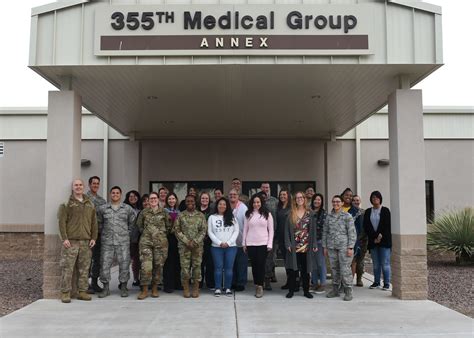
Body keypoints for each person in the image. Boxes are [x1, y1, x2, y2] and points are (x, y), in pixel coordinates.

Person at [58, 179, 98, 303]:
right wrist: (64, 238)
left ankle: (82, 292)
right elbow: (61, 222)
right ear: (73, 187)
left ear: (83, 186)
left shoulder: (90, 204)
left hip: (86, 242)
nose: (78, 187)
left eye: (80, 185)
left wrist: (93, 238)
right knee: (68, 268)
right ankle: (65, 292)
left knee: (84, 269)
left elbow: (94, 222)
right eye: (76, 185)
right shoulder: (66, 204)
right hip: (71, 242)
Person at [97, 186, 136, 298]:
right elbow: (99, 223)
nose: (115, 194)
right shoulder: (103, 208)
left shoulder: (127, 209)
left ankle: (123, 287)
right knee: (105, 264)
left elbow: (132, 224)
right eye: (113, 193)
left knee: (124, 264)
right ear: (110, 194)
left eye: (117, 193)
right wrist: (104, 233)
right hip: (107, 242)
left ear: (120, 194)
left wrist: (127, 234)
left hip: (123, 241)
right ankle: (105, 288)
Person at [135, 191, 169, 300]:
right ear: (148, 201)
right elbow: (139, 226)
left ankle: (154, 288)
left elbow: (168, 226)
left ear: (158, 200)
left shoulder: (164, 212)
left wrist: (160, 235)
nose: (153, 200)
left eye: (155, 198)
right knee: (146, 266)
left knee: (158, 266)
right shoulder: (144, 212)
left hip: (160, 244)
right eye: (151, 199)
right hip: (146, 242)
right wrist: (147, 234)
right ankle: (144, 289)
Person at [323, 195, 357, 301]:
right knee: (334, 269)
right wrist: (325, 247)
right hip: (332, 247)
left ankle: (348, 291)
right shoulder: (329, 217)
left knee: (345, 269)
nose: (335, 203)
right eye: (333, 201)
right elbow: (325, 232)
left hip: (344, 247)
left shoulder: (347, 216)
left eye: (338, 201)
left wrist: (351, 247)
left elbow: (352, 233)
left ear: (342, 203)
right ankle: (335, 290)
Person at [174, 195, 207, 298]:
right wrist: (186, 241)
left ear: (195, 202)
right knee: (185, 268)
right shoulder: (181, 216)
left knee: (197, 267)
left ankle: (196, 288)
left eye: (192, 201)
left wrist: (195, 241)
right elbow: (177, 230)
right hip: (184, 247)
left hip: (197, 247)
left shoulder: (200, 216)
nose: (190, 202)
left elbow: (203, 230)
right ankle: (186, 288)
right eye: (188, 201)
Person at [284, 191, 315, 299]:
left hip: (306, 246)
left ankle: (306, 291)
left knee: (306, 270)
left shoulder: (310, 213)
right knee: (293, 270)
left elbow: (313, 230)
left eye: (301, 197)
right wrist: (288, 243)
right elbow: (286, 230)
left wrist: (314, 244)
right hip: (294, 246)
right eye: (297, 198)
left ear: (304, 199)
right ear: (295, 200)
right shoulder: (291, 213)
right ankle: (291, 290)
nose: (299, 199)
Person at [243, 194, 274, 298]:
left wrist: (270, 244)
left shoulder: (267, 214)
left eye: (258, 202)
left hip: (263, 244)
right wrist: (244, 243)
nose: (256, 204)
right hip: (251, 243)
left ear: (261, 203)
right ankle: (257, 284)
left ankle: (260, 286)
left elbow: (271, 230)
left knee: (261, 265)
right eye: (254, 202)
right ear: (252, 203)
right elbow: (245, 230)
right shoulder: (248, 214)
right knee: (254, 265)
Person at [208, 197, 239, 296]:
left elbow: (236, 231)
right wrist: (219, 242)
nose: (222, 206)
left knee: (229, 268)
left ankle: (228, 288)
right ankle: (218, 288)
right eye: (220, 204)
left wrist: (229, 242)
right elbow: (210, 232)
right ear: (217, 206)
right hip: (216, 247)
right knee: (218, 268)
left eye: (224, 204)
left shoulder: (233, 218)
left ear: (227, 206)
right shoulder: (212, 217)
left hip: (231, 247)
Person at [363, 191, 392, 291]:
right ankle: (376, 282)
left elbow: (386, 225)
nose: (375, 199)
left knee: (385, 263)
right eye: (373, 197)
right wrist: (375, 237)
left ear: (380, 199)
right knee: (375, 264)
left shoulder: (385, 210)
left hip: (384, 241)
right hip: (373, 241)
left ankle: (387, 283)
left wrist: (380, 236)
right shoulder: (367, 212)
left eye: (377, 197)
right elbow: (366, 226)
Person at [86, 176, 106, 294]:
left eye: (97, 183)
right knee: (87, 258)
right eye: (94, 183)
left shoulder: (102, 200)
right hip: (88, 233)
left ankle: (94, 282)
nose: (96, 185)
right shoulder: (84, 199)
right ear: (89, 184)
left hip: (99, 233)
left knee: (98, 258)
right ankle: (85, 283)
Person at [259, 182, 279, 290]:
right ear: (261, 188)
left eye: (267, 187)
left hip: (273, 235)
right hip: (259, 236)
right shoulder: (256, 201)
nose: (265, 189)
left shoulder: (275, 201)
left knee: (271, 258)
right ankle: (260, 279)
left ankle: (267, 279)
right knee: (261, 259)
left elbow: (278, 216)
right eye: (263, 187)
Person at [229, 188, 248, 292]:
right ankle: (232, 282)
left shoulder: (243, 207)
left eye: (234, 194)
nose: (232, 196)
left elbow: (246, 224)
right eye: (231, 194)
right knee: (231, 263)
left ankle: (241, 283)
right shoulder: (227, 206)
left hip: (241, 241)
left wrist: (246, 241)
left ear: (238, 195)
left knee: (241, 264)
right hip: (229, 241)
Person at [163, 192, 182, 293]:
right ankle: (168, 285)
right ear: (167, 200)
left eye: (173, 199)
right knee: (168, 262)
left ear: (176, 200)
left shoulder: (179, 212)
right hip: (167, 238)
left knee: (177, 261)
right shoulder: (163, 211)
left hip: (177, 239)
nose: (171, 201)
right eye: (169, 199)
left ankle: (177, 284)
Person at [310, 193, 327, 294]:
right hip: (310, 242)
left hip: (320, 241)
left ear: (321, 202)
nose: (317, 201)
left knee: (321, 263)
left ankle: (323, 284)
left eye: (319, 200)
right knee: (313, 264)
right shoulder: (309, 212)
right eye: (315, 199)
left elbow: (324, 230)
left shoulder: (324, 214)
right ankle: (314, 283)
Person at [125, 190, 142, 287]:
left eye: (135, 196)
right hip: (127, 239)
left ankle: (136, 279)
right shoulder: (124, 208)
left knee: (137, 260)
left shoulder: (141, 209)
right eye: (130, 196)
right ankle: (123, 281)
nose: (133, 198)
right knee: (125, 260)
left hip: (139, 239)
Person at [198, 192, 215, 290]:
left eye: (206, 198)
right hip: (198, 241)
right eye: (203, 198)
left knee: (210, 263)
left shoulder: (212, 211)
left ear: (209, 200)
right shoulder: (196, 211)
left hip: (209, 240)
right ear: (200, 199)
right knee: (199, 262)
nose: (204, 200)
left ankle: (210, 283)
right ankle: (199, 283)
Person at [276, 189, 292, 290]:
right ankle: (289, 281)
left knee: (292, 261)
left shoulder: (292, 208)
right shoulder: (279, 207)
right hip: (281, 237)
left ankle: (296, 281)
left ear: (288, 196)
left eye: (284, 194)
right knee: (286, 261)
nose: (282, 196)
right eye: (281, 194)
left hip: (290, 238)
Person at [352, 194, 367, 287]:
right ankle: (350, 280)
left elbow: (366, 227)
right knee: (352, 261)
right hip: (352, 240)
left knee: (360, 261)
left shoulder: (364, 212)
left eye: (357, 200)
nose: (356, 202)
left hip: (362, 240)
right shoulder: (350, 212)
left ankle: (359, 279)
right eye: (354, 200)